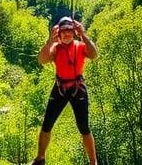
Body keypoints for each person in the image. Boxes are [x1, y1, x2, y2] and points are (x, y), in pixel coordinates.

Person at [31, 15, 98, 165]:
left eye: (69, 31)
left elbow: (94, 55)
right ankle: (40, 158)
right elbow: (42, 60)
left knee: (84, 127)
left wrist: (84, 35)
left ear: (73, 32)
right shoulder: (55, 48)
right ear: (59, 33)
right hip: (60, 88)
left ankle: (93, 162)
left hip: (78, 88)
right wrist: (50, 41)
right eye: (63, 31)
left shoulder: (80, 46)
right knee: (47, 124)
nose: (67, 34)